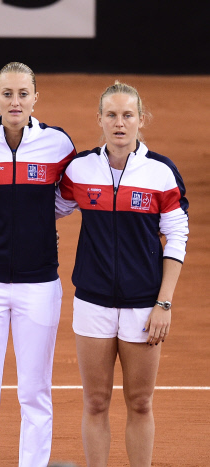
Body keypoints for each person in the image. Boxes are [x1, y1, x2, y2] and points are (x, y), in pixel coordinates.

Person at [56, 82, 188, 466]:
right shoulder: (80, 169)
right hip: (92, 303)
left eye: (127, 115)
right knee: (95, 401)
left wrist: (163, 302)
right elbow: (48, 207)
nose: (119, 123)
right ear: (99, 119)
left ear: (140, 119)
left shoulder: (161, 173)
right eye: (111, 115)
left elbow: (177, 235)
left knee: (141, 402)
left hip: (144, 306)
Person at [0, 62, 76, 467]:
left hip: (40, 283)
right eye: (7, 93)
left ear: (35, 98)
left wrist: (43, 218)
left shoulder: (58, 144)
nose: (15, 101)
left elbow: (69, 194)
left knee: (34, 391)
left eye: (23, 93)